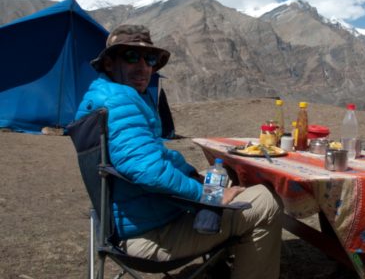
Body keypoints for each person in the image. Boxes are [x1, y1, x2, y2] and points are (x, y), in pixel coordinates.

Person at [75, 24, 282, 279]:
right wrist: (208, 196)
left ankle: (217, 263)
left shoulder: (103, 95)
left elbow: (152, 155)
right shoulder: (118, 101)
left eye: (150, 59)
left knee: (223, 175)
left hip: (135, 215)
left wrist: (194, 175)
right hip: (148, 235)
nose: (143, 67)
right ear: (109, 63)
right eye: (131, 57)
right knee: (266, 202)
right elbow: (149, 171)